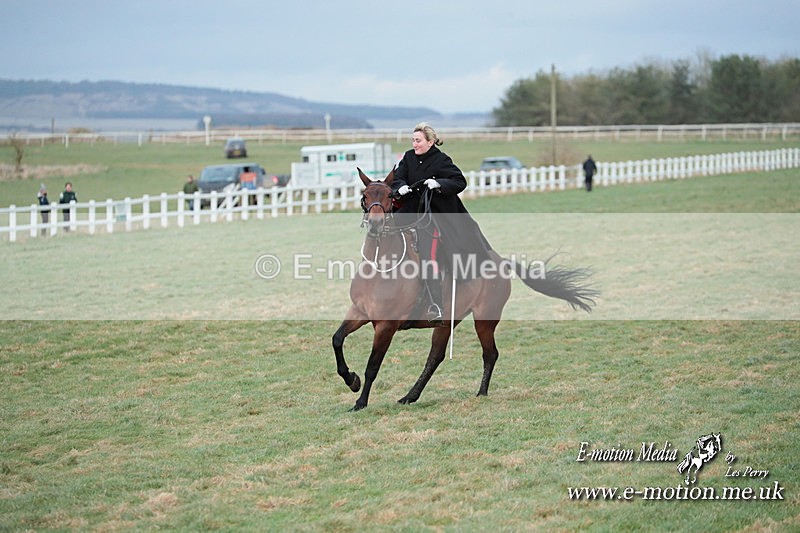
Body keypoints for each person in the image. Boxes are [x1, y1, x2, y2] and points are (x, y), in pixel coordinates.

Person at [391, 122, 494, 325]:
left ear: (430, 142)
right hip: (410, 210)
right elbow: (397, 178)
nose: (414, 144)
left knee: (428, 255)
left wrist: (439, 183)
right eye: (413, 140)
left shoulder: (441, 160)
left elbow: (459, 181)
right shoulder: (408, 157)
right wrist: (400, 186)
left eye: (418, 141)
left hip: (434, 214)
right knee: (385, 231)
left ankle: (436, 305)